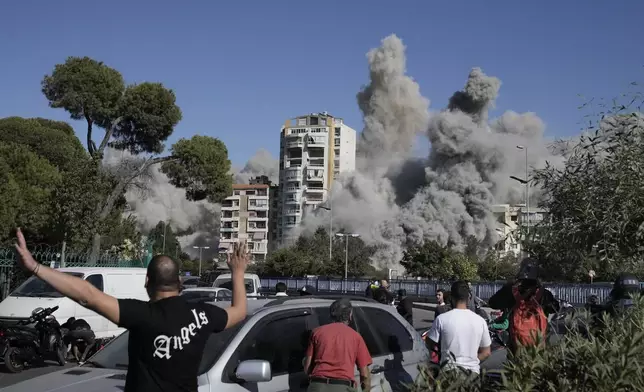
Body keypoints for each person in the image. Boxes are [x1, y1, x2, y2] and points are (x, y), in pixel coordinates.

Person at [13, 228, 249, 392]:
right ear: (179, 282)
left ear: (147, 282)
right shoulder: (203, 315)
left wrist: (35, 267)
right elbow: (238, 311)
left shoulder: (142, 315)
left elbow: (88, 295)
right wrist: (237, 273)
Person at [488, 258, 559, 353]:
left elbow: (492, 303)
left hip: (517, 345)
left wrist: (507, 287)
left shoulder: (510, 291)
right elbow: (555, 308)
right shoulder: (544, 294)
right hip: (538, 346)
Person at [304, 298, 372, 392]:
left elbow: (307, 367)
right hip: (343, 387)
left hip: (317, 386)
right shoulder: (356, 337)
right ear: (350, 315)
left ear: (331, 315)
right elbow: (364, 374)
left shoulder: (317, 332)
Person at [427, 281, 491, 378]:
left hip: (448, 374)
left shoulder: (441, 319)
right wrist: (470, 361)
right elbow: (486, 352)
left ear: (451, 297)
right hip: (472, 375)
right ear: (469, 298)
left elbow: (429, 343)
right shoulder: (480, 321)